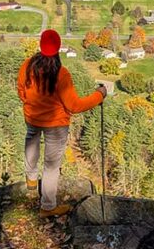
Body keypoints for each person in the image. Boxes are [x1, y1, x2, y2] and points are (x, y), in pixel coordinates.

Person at [17, 28, 106, 216]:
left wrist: (31, 103)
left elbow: (21, 91)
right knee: (51, 165)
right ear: (58, 48)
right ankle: (48, 206)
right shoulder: (61, 74)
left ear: (41, 45)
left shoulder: (28, 65)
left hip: (32, 117)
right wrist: (99, 95)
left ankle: (31, 180)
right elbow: (74, 105)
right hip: (56, 125)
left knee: (31, 144)